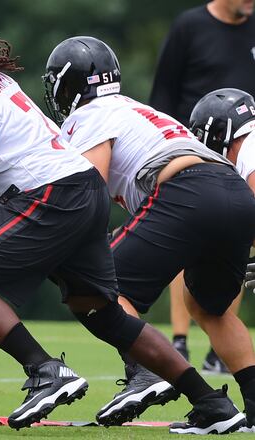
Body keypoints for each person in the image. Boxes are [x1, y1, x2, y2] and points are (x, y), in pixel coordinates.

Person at [0, 4, 235, 432]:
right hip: (80, 190)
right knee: (103, 313)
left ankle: (45, 370)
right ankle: (211, 403)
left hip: (51, 195)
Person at [44, 35, 254, 434]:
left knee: (94, 286)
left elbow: (89, 191)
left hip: (186, 191)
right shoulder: (136, 109)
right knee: (210, 308)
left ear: (67, 84)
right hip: (232, 191)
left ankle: (149, 374)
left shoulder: (88, 115)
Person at [149, 0, 255, 371]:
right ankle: (179, 340)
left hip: (244, 150)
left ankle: (217, 350)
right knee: (186, 245)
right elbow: (163, 91)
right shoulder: (189, 26)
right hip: (191, 150)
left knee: (236, 247)